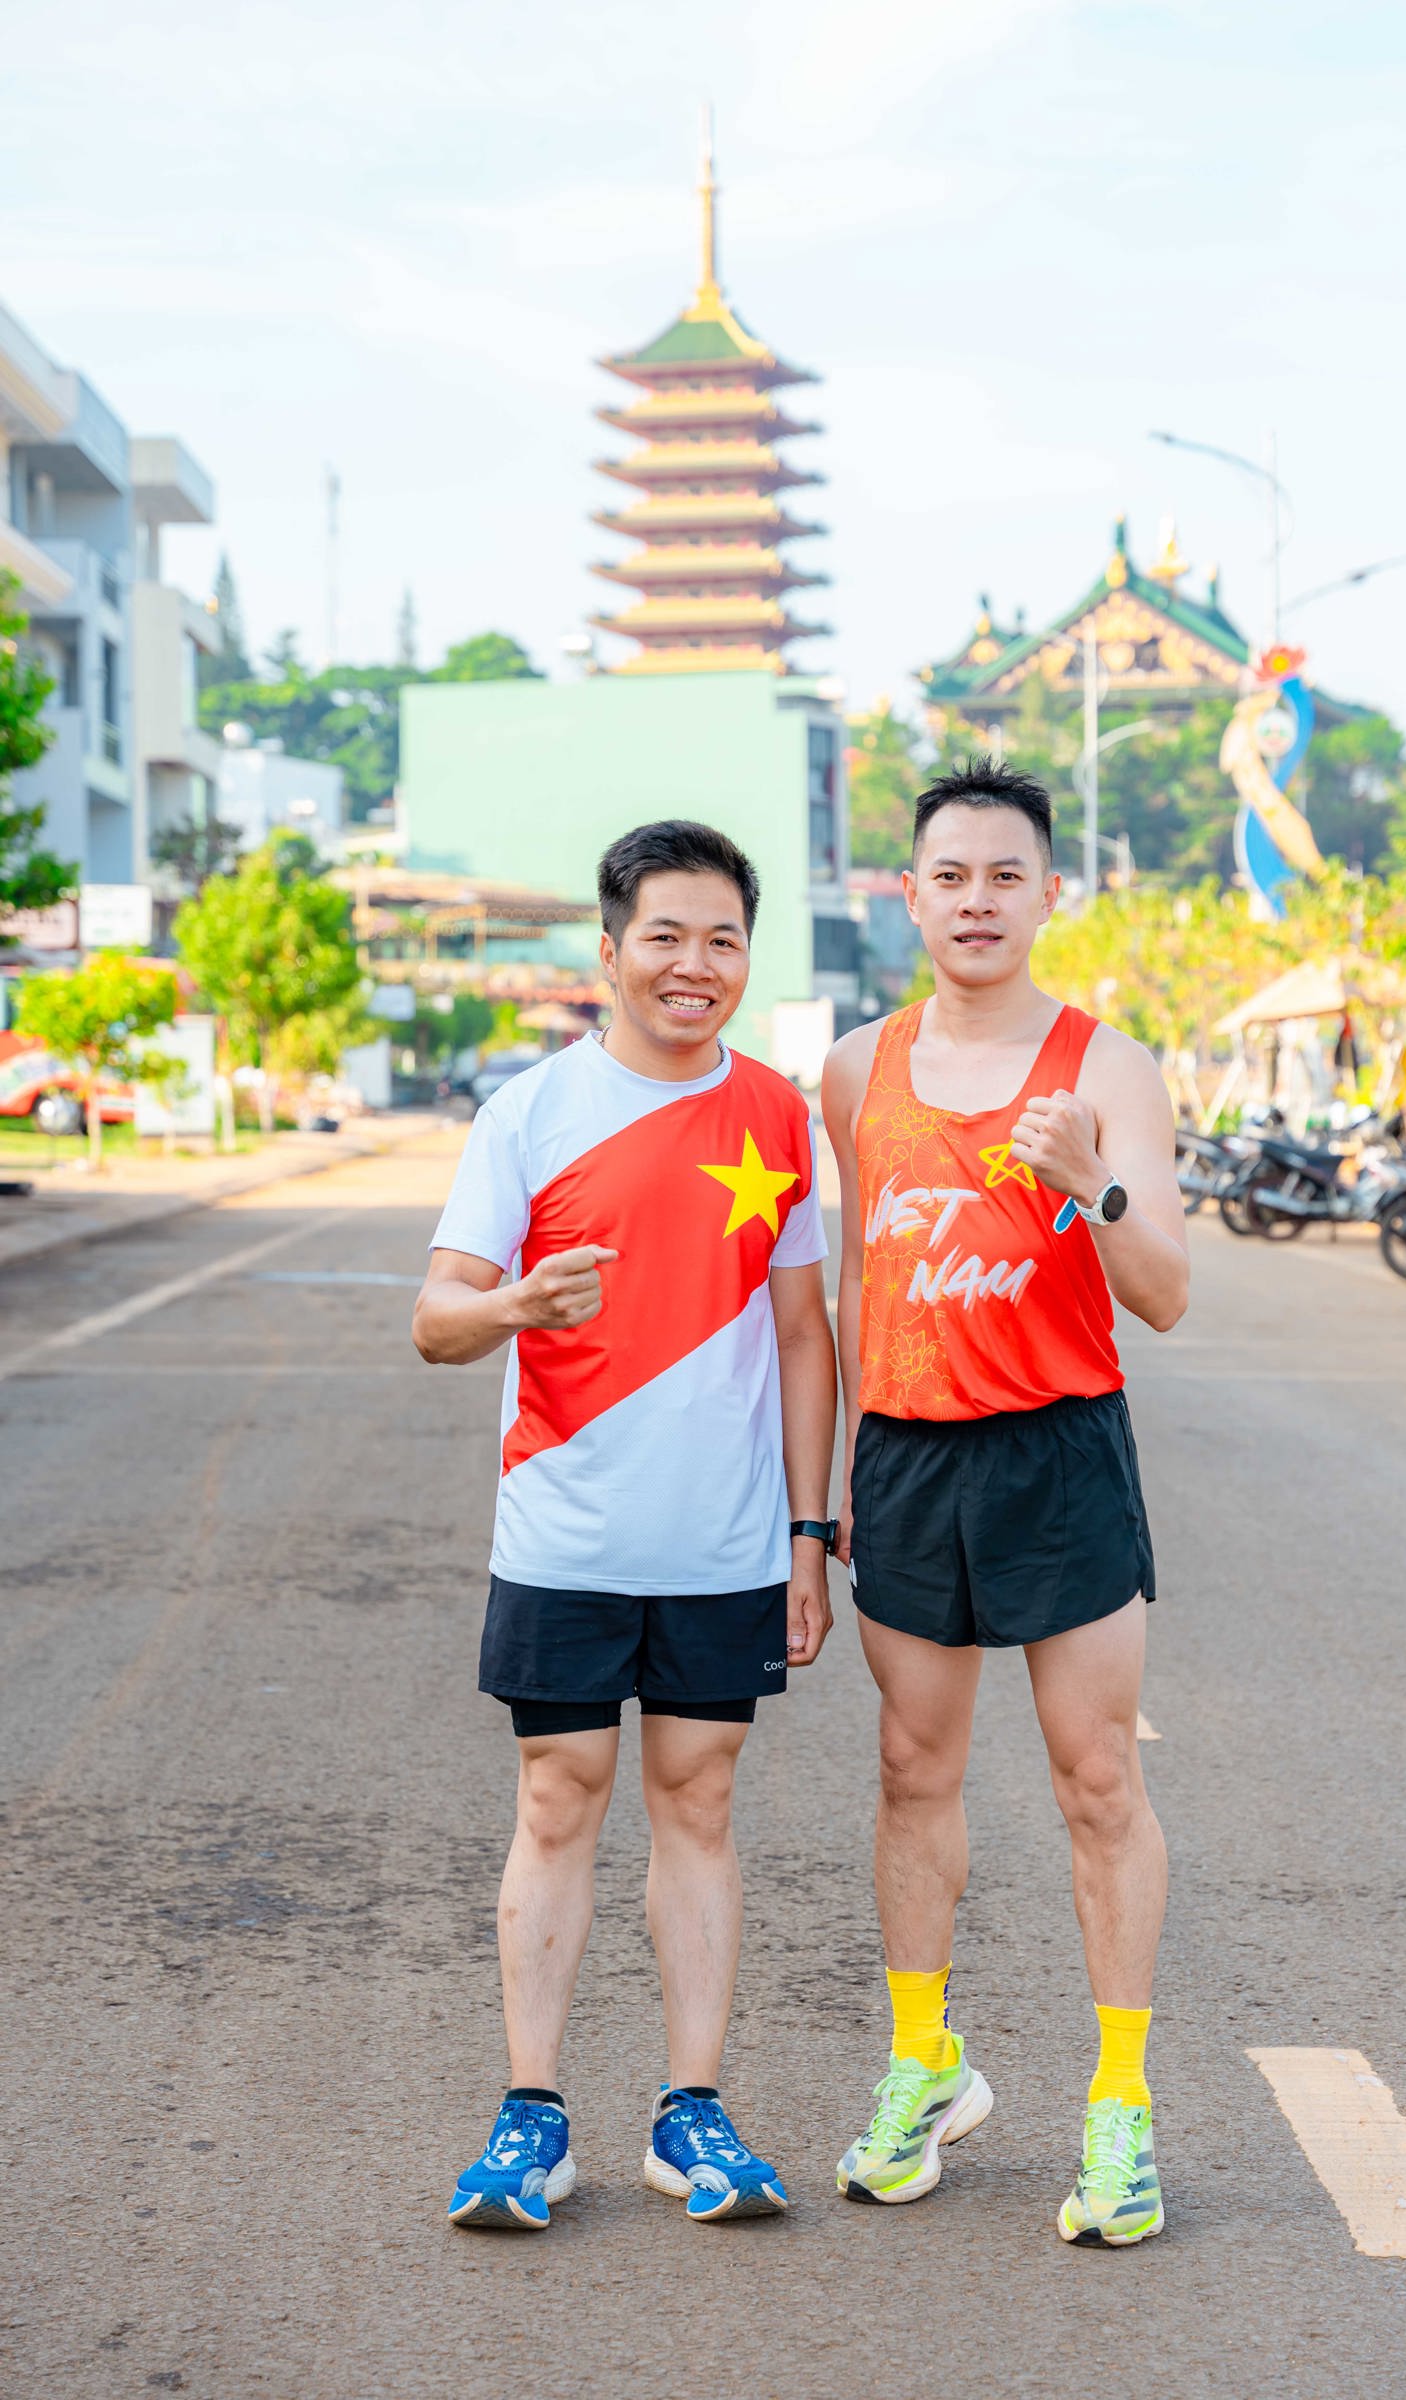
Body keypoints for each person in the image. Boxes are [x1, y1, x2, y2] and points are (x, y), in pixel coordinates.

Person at [415, 819, 837, 2232]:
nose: (693, 964)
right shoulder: (529, 1114)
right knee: (558, 1798)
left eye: (723, 939)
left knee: (699, 1804)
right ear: (609, 952)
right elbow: (435, 1321)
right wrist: (515, 1304)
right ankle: (531, 2117)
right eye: (665, 935)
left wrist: (808, 1535)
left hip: (724, 1543)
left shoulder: (776, 1115)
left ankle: (690, 2112)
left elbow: (803, 1334)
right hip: (566, 1537)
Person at [821, 756, 1188, 2246]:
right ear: (910, 896)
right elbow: (859, 1279)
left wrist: (1094, 1181)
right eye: (951, 877)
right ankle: (925, 2066)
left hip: (1057, 1455)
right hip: (909, 1458)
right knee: (912, 1768)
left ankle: (1121, 2108)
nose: (977, 901)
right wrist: (844, 1469)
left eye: (1006, 877)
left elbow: (1164, 1293)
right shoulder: (856, 1068)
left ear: (1049, 895)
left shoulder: (1111, 1068)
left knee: (1096, 1780)